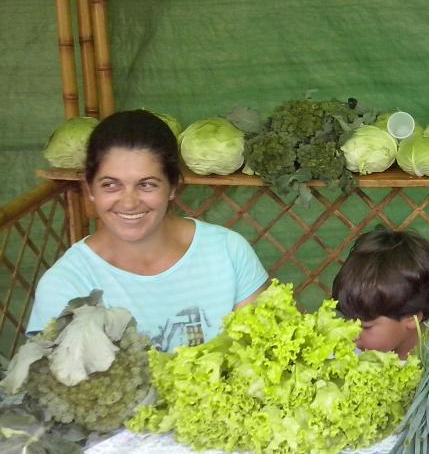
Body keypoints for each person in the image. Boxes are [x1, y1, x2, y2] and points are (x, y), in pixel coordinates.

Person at [27, 110, 268, 351]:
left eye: (146, 184)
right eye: (110, 185)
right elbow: (55, 379)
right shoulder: (65, 285)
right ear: (90, 188)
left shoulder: (228, 252)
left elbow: (264, 353)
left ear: (173, 186)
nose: (129, 202)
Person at [332, 227, 429, 360]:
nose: (351, 334)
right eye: (347, 319)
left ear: (412, 317)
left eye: (366, 327)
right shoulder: (341, 355)